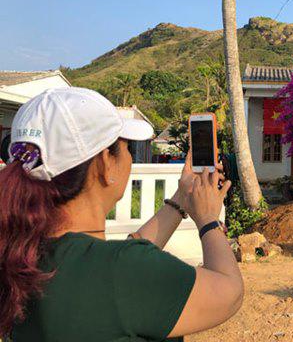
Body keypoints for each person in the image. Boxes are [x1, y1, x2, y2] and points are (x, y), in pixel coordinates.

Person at [0, 87, 243, 341]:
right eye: (126, 147)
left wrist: (181, 200)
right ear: (106, 163)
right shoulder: (123, 271)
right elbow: (230, 292)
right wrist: (208, 220)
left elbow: (108, 269)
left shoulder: (19, 254)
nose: (129, 156)